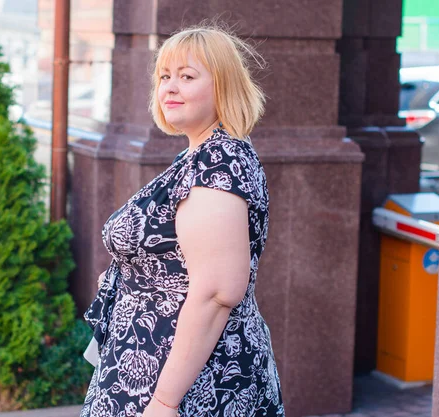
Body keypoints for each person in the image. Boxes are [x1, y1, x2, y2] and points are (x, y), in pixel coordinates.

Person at [81, 24, 284, 417]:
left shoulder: (218, 162)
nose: (170, 88)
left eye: (187, 77)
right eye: (164, 77)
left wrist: (164, 402)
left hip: (189, 385)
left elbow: (215, 293)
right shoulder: (196, 159)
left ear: (223, 87)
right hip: (153, 370)